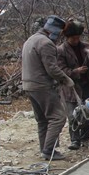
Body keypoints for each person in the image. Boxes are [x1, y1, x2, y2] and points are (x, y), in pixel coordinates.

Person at [21, 15, 74, 160]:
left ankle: (44, 149)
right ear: (54, 31)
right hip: (42, 85)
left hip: (28, 85)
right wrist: (66, 79)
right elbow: (51, 68)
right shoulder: (46, 44)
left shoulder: (31, 39)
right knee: (58, 117)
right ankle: (49, 150)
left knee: (43, 120)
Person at [57, 20, 89, 150]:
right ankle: (75, 140)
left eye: (77, 37)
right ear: (67, 37)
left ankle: (85, 139)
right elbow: (61, 70)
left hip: (86, 85)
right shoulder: (61, 51)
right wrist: (75, 71)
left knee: (88, 113)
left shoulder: (86, 47)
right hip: (71, 87)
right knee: (72, 115)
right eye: (73, 38)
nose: (76, 40)